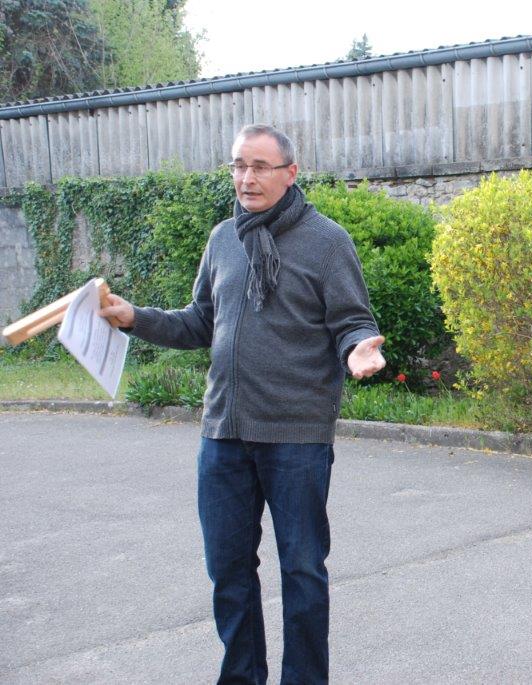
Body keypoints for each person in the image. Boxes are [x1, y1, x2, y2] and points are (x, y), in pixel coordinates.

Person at [100, 124, 386, 684]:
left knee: (302, 571)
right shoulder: (223, 239)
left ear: (290, 173)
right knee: (228, 571)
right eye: (238, 165)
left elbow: (353, 320)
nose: (246, 178)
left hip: (295, 437)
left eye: (259, 167)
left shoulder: (327, 242)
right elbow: (199, 322)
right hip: (224, 434)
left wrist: (358, 349)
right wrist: (134, 318)